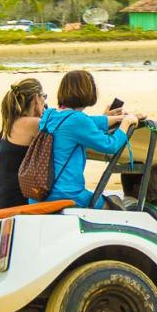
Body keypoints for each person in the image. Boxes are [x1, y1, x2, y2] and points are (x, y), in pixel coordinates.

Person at [34, 70, 139, 208]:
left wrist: (117, 118)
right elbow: (110, 145)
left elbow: (86, 121)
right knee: (115, 207)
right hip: (66, 193)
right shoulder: (78, 120)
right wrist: (126, 123)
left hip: (40, 193)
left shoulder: (49, 115)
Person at [0, 78, 46, 210]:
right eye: (44, 97)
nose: (45, 103)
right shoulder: (33, 124)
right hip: (13, 199)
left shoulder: (12, 123)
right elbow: (64, 131)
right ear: (36, 98)